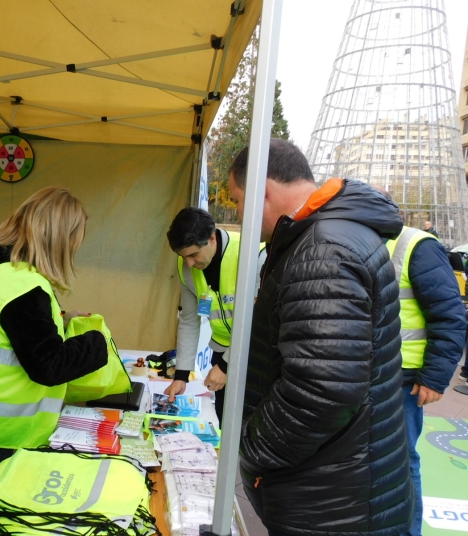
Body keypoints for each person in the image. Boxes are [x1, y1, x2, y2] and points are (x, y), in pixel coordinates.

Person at [227, 139, 412, 536]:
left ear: (263, 190)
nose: (236, 212)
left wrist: (254, 452)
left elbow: (322, 389)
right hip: (340, 485)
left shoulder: (323, 250)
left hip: (334, 498)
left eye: (237, 199)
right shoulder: (322, 238)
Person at [0, 187, 108, 517]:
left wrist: (60, 319)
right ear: (60, 237)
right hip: (2, 439)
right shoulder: (24, 288)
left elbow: (10, 334)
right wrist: (97, 343)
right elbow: (48, 364)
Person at [385, 223, 466, 536]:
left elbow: (449, 314)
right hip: (364, 374)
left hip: (403, 379)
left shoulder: (416, 245)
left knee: (401, 463)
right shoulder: (353, 238)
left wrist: (433, 377)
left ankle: (407, 532)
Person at [164, 208, 241, 423]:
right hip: (221, 351)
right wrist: (181, 375)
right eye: (182, 256)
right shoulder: (185, 266)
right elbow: (189, 320)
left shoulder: (247, 252)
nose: (188, 263)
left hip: (253, 354)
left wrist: (227, 365)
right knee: (224, 422)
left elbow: (258, 323)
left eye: (193, 254)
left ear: (212, 238)